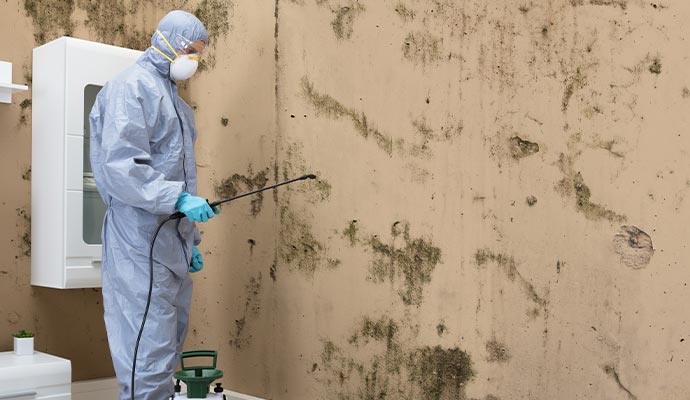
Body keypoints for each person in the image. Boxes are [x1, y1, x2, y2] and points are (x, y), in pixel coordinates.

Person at [89, 10, 217, 400]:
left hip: (168, 246)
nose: (193, 61)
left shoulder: (179, 106)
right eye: (191, 51)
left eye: (199, 54)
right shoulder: (133, 88)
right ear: (166, 41)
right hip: (138, 243)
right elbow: (121, 167)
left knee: (165, 349)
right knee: (147, 351)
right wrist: (177, 198)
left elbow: (180, 176)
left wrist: (189, 240)